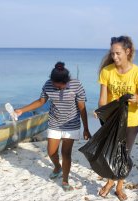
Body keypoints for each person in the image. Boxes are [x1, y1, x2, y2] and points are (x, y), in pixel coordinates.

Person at [14, 62, 91, 191]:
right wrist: (22, 110)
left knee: (66, 154)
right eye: (57, 86)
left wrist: (86, 128)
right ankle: (57, 167)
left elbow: (82, 107)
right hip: (54, 122)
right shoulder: (48, 84)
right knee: (51, 152)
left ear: (67, 81)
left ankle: (65, 180)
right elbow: (41, 101)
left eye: (62, 86)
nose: (59, 89)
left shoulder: (76, 85)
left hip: (71, 125)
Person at [97, 36, 138, 201]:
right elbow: (103, 99)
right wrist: (101, 112)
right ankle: (111, 182)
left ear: (127, 52)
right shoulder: (107, 71)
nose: (115, 57)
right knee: (111, 153)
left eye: (118, 53)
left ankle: (117, 185)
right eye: (112, 54)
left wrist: (136, 99)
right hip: (112, 120)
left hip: (131, 121)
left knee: (124, 154)